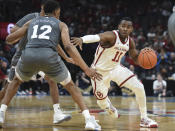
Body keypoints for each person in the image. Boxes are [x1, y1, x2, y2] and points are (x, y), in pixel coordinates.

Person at [3, 0, 102, 130]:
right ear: (56, 12)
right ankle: (89, 120)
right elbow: (68, 46)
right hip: (48, 57)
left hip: (28, 56)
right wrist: (86, 69)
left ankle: (1, 113)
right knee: (70, 86)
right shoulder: (61, 24)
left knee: (15, 82)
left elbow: (9, 39)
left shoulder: (31, 22)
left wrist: (27, 36)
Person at [71, 17, 158, 128]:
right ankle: (108, 106)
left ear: (131, 29)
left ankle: (144, 118)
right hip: (99, 72)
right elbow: (97, 37)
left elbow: (135, 57)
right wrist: (82, 39)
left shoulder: (130, 42)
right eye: (123, 26)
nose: (125, 29)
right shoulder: (111, 36)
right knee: (101, 102)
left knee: (139, 87)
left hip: (116, 68)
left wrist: (143, 61)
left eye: (128, 27)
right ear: (119, 27)